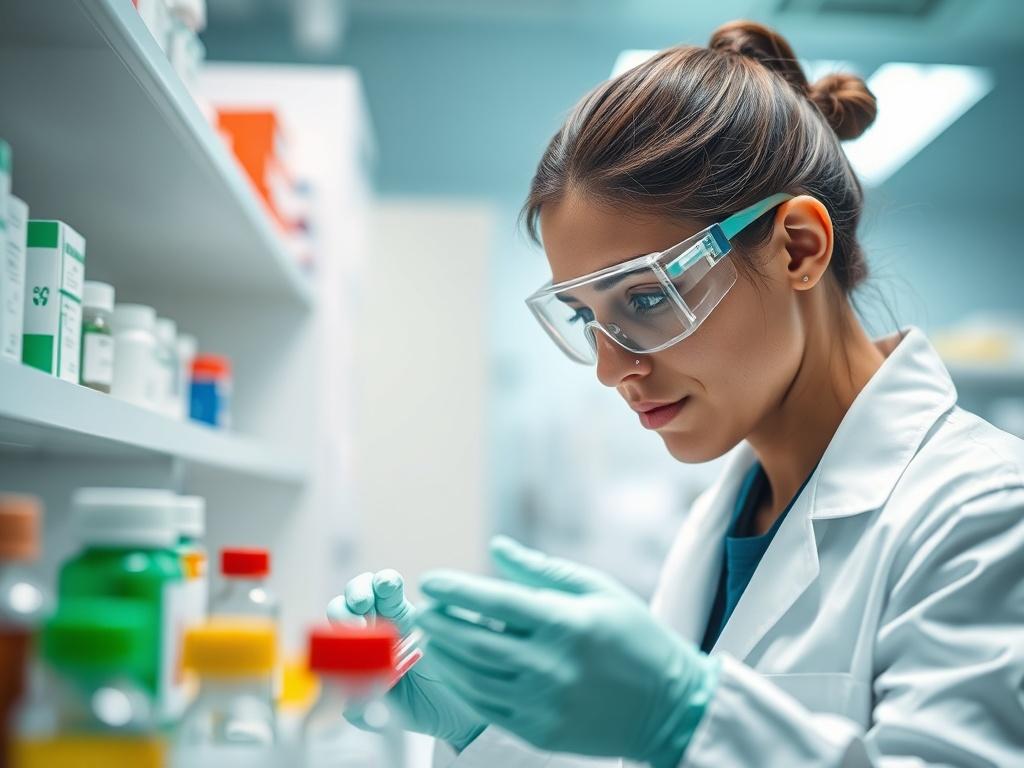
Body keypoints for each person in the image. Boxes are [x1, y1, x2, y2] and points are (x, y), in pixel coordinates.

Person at [328, 19, 1024, 767]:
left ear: (799, 248)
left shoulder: (986, 513)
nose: (610, 368)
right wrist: (492, 725)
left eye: (648, 299)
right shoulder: (724, 519)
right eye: (585, 318)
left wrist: (683, 718)